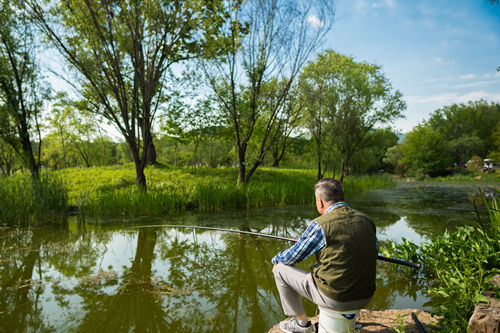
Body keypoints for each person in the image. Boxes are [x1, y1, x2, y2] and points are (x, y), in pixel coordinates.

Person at [271, 178, 378, 333]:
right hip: (366, 296)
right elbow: (374, 250)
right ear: (343, 198)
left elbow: (292, 257)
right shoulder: (367, 221)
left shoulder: (320, 224)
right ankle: (351, 322)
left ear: (320, 202)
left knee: (279, 269)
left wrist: (275, 259)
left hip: (335, 298)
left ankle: (302, 324)